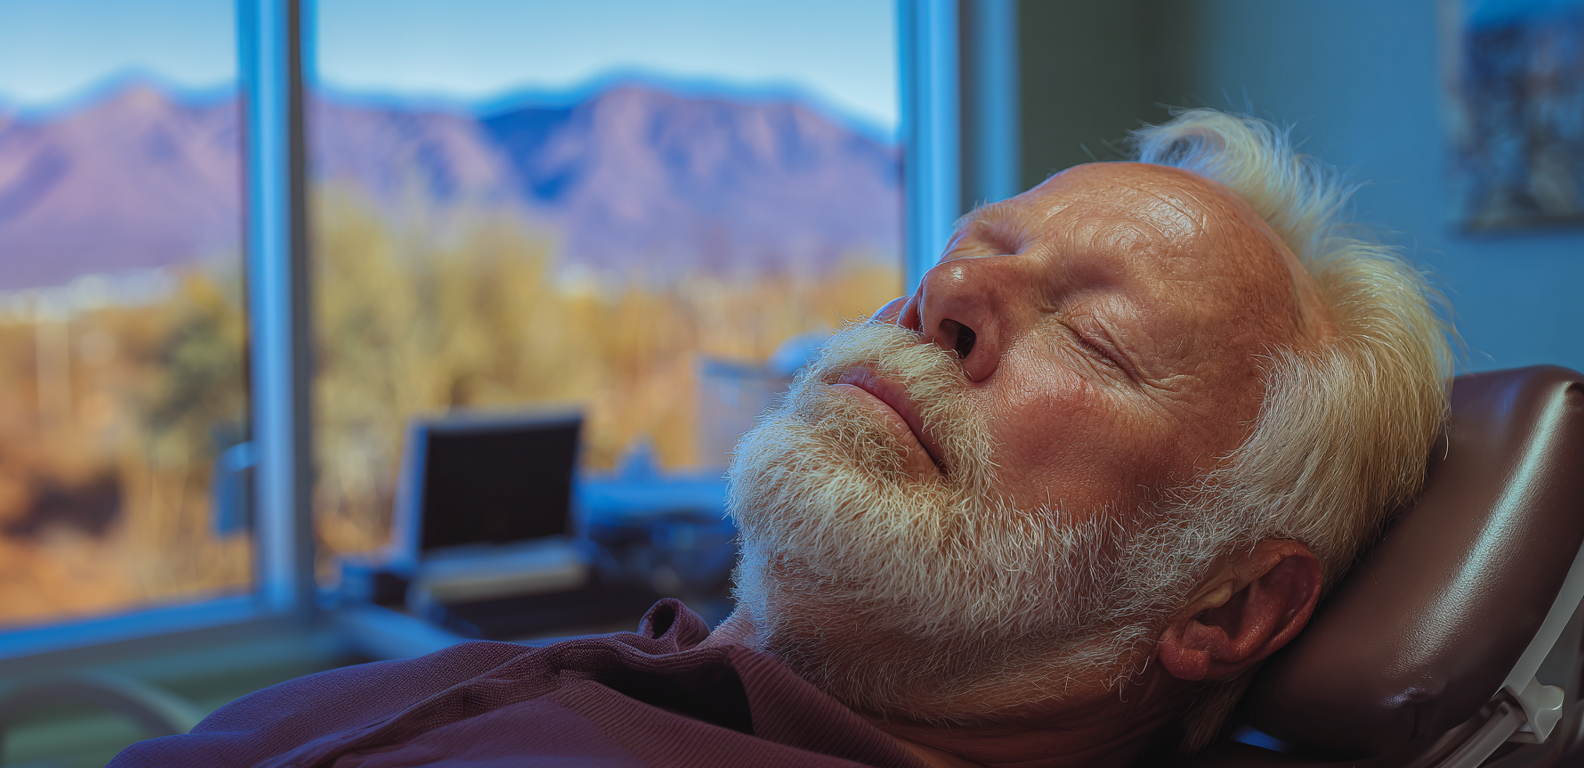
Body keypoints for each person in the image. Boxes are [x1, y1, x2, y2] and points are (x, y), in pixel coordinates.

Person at [110, 109, 1452, 768]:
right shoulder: (624, 683)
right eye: (963, 257)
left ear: (1224, 606)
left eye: (1096, 341)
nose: (946, 298)